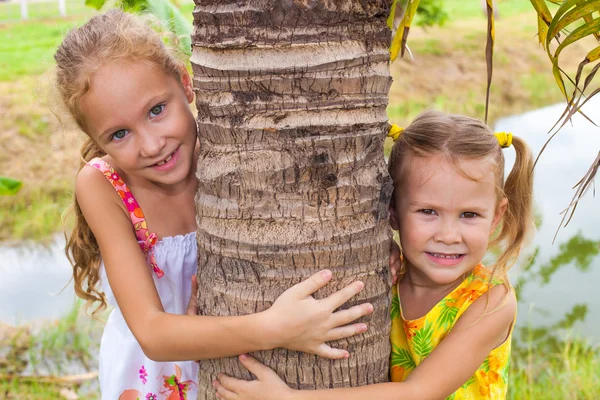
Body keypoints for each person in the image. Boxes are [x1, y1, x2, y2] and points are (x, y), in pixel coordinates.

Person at [58, 10, 376, 399]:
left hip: (241, 361)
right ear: (96, 137)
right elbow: (153, 335)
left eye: (157, 110)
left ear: (186, 83)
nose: (151, 145)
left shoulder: (232, 148)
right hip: (156, 375)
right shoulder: (103, 185)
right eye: (120, 133)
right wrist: (278, 328)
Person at [213, 109, 535, 400]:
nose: (449, 236)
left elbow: (419, 392)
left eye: (469, 215)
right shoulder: (386, 270)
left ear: (496, 216)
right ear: (392, 210)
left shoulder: (491, 302)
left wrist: (289, 399)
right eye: (428, 211)